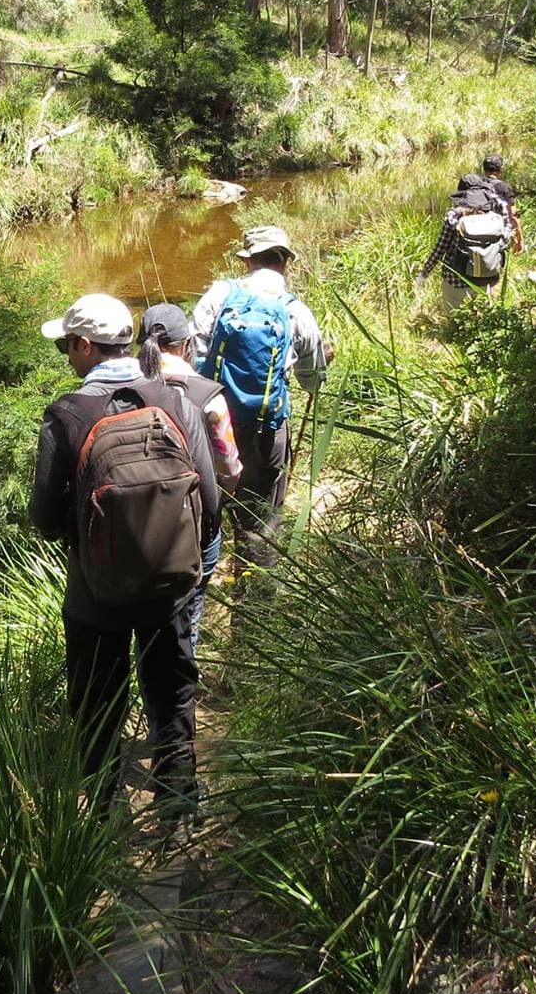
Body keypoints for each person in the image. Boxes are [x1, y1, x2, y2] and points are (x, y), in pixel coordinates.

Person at [30, 293, 222, 820]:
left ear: (86, 345)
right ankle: (178, 806)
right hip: (170, 586)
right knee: (172, 689)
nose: (67, 355)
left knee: (97, 699)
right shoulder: (176, 401)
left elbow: (44, 517)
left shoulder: (67, 415)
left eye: (67, 345)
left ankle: (105, 813)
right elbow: (209, 499)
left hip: (96, 594)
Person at [189, 225, 331, 581]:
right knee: (264, 509)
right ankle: (259, 595)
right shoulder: (295, 310)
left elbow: (193, 352)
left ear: (247, 260)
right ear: (285, 262)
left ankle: (202, 578)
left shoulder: (221, 294)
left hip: (214, 421)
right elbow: (312, 378)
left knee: (210, 499)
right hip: (268, 426)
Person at [138, 302, 240, 656]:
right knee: (188, 614)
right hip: (195, 529)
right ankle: (181, 683)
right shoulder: (209, 396)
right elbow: (229, 467)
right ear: (186, 346)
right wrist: (219, 498)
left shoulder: (129, 392)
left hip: (139, 524)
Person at [418, 172, 513, 308]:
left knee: (454, 320)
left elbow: (440, 249)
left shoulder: (454, 215)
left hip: (455, 279)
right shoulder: (497, 213)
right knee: (481, 319)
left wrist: (424, 273)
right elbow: (506, 238)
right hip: (487, 279)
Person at [482, 152, 524, 254]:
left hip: (475, 229)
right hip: (498, 231)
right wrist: (520, 240)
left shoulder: (475, 183)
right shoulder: (504, 187)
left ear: (484, 169)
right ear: (500, 170)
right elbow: (513, 215)